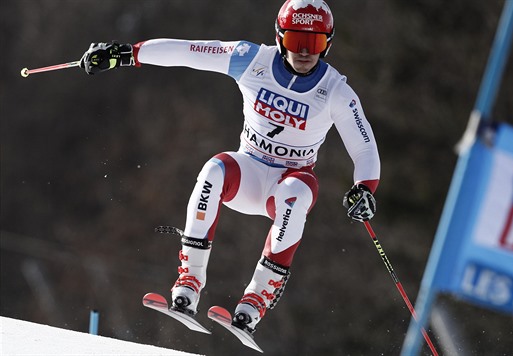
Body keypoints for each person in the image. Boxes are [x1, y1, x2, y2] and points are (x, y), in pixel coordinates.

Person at [80, 0, 380, 335]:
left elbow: (365, 146)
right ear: (280, 38)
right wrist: (125, 54)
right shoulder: (251, 60)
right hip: (248, 173)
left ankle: (255, 302)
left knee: (297, 192)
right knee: (213, 169)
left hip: (288, 182)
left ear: (329, 43)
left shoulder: (336, 90)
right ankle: (189, 282)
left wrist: (364, 188)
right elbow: (186, 52)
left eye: (316, 43)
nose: (306, 52)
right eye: (297, 41)